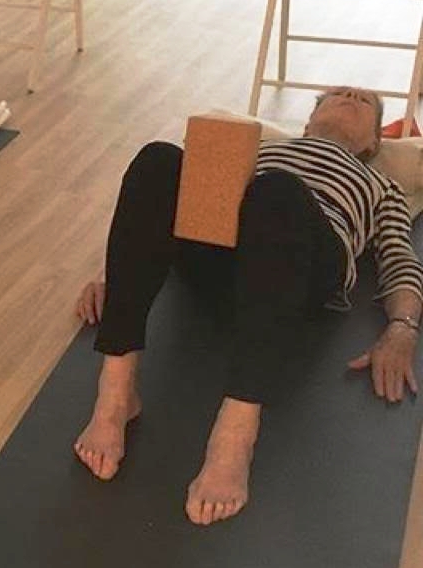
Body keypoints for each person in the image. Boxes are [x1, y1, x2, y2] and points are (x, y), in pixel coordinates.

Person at [73, 87, 423, 526]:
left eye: (362, 101)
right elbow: (173, 207)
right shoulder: (265, 150)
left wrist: (402, 327)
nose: (349, 95)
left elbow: (399, 257)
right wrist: (117, 278)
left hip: (304, 272)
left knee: (278, 192)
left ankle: (236, 434)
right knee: (159, 159)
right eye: (337, 94)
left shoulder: (381, 184)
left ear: (373, 142)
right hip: (224, 257)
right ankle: (116, 395)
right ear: (308, 122)